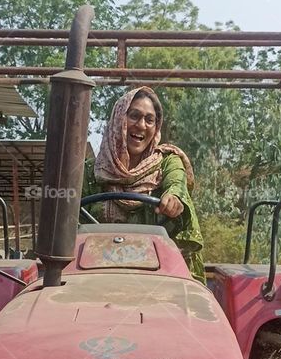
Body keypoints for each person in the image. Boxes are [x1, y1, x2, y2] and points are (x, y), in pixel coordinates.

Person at [81, 87, 205, 282]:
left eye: (149, 120)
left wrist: (173, 198)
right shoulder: (91, 171)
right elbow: (71, 220)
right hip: (96, 273)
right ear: (118, 120)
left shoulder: (167, 162)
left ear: (156, 128)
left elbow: (177, 183)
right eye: (134, 116)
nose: (141, 125)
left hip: (158, 275)